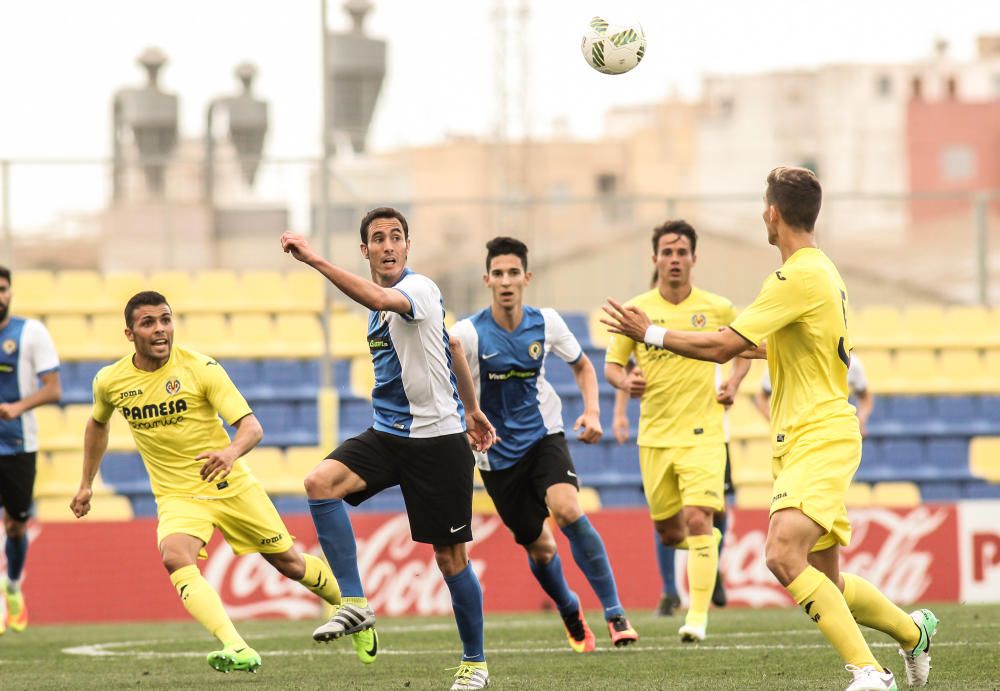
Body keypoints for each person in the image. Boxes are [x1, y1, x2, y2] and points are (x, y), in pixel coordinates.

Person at [602, 167, 937, 691]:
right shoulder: (818, 272)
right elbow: (760, 344)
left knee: (782, 554)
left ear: (773, 214)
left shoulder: (796, 276)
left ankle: (870, 672)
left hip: (818, 435)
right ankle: (912, 632)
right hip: (807, 436)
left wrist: (654, 333)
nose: (763, 212)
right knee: (826, 581)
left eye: (764, 204)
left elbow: (723, 347)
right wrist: (715, 342)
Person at [70, 291, 344, 674]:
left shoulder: (201, 368)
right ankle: (237, 646)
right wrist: (86, 483)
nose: (161, 329)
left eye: (166, 319)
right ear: (130, 334)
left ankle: (351, 606)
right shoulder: (111, 381)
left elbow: (252, 427)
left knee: (289, 563)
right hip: (177, 493)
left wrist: (229, 454)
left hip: (229, 484)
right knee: (174, 556)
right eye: (149, 323)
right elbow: (97, 423)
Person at [281, 207, 497, 691]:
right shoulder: (383, 308)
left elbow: (382, 297)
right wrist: (476, 409)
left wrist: (314, 259)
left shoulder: (416, 289)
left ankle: (475, 663)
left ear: (407, 246)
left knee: (450, 558)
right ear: (366, 250)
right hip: (390, 434)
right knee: (319, 484)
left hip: (438, 441)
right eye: (378, 239)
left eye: (396, 237)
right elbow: (453, 349)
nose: (388, 246)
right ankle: (355, 603)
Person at [450, 236, 638, 653]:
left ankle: (614, 612)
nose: (505, 281)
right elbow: (448, 387)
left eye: (513, 273)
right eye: (497, 273)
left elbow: (584, 367)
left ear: (526, 278)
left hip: (543, 436)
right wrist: (465, 417)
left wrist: (592, 413)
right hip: (496, 457)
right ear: (487, 279)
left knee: (569, 509)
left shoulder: (547, 322)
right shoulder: (468, 333)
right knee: (541, 546)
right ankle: (570, 609)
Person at [604, 220, 749, 643]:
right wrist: (625, 383)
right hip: (654, 436)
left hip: (704, 433)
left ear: (694, 259)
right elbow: (613, 366)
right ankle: (708, 550)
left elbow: (748, 346)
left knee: (697, 518)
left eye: (681, 252)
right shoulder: (637, 310)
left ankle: (697, 618)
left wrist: (735, 382)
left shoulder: (718, 308)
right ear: (655, 259)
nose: (674, 259)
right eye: (666, 252)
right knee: (670, 533)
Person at [0, 267, 61, 636]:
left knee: (16, 525)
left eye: (3, 289)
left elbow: (53, 389)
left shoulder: (31, 332)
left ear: (10, 292)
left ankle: (13, 585)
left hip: (19, 445)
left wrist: (16, 408)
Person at [755, 355, 874, 437]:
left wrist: (861, 421)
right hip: (797, 434)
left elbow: (865, 397)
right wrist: (777, 424)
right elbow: (762, 396)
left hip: (835, 433)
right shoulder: (783, 361)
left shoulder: (850, 364)